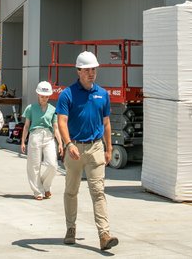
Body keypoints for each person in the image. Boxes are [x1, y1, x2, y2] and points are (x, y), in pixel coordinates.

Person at [56, 51, 118, 251]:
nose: (92, 73)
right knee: (71, 191)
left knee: (98, 192)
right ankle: (70, 228)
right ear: (78, 71)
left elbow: (106, 123)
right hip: (74, 148)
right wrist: (68, 144)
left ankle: (104, 235)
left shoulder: (102, 94)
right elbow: (61, 121)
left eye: (94, 69)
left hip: (96, 147)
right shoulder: (68, 94)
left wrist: (109, 148)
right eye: (87, 70)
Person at [21, 80, 63, 200]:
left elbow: (56, 127)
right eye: (42, 96)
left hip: (49, 136)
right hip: (35, 135)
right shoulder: (30, 108)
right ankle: (37, 191)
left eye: (46, 96)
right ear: (38, 95)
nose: (44, 98)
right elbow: (26, 126)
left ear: (49, 96)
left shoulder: (53, 109)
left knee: (53, 165)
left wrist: (60, 143)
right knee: (34, 166)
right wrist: (23, 141)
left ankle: (45, 186)